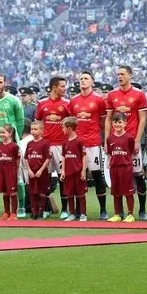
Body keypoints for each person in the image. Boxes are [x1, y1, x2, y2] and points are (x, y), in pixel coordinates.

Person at [105, 65, 147, 220]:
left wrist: (137, 140)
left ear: (130, 75)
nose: (120, 77)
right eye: (118, 74)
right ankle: (119, 212)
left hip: (132, 140)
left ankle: (141, 210)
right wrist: (106, 139)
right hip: (116, 141)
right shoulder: (112, 95)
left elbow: (143, 118)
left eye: (123, 74)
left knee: (137, 175)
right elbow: (109, 119)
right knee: (116, 177)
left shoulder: (138, 94)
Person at [68, 71, 109, 219]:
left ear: (92, 82)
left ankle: (103, 209)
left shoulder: (99, 100)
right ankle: (79, 211)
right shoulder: (73, 101)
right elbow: (72, 121)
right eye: (81, 79)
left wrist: (99, 136)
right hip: (78, 145)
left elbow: (104, 122)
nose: (83, 81)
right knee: (78, 177)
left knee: (97, 175)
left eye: (86, 79)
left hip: (93, 143)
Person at [0, 74, 25, 219]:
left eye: (0, 82)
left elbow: (20, 122)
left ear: (5, 83)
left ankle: (21, 207)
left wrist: (14, 139)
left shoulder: (14, 100)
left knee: (17, 176)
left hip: (12, 144)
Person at [35, 76, 71, 219]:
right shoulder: (42, 103)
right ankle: (45, 208)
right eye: (62, 86)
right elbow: (37, 123)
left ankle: (64, 209)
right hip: (46, 145)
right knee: (45, 178)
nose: (64, 89)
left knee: (63, 177)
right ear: (54, 87)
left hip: (61, 145)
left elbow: (72, 124)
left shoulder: (67, 104)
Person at [106, 112, 136, 223]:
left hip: (126, 167)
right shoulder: (110, 138)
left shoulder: (129, 138)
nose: (117, 124)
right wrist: (110, 163)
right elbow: (110, 153)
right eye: (115, 122)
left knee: (128, 192)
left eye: (119, 122)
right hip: (114, 167)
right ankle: (117, 214)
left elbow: (132, 152)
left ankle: (130, 214)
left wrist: (128, 162)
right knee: (116, 192)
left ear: (125, 123)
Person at [60, 117, 87, 221]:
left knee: (80, 194)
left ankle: (83, 214)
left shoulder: (80, 141)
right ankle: (72, 213)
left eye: (63, 128)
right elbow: (64, 156)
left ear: (69, 129)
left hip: (78, 172)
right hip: (68, 173)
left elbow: (84, 156)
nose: (62, 130)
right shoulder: (65, 142)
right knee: (69, 194)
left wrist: (83, 170)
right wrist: (63, 171)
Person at [24, 121, 51, 220]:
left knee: (42, 192)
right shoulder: (29, 143)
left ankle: (41, 212)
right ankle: (33, 212)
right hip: (32, 172)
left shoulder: (45, 143)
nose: (33, 131)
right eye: (32, 129)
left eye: (35, 129)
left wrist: (41, 170)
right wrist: (29, 170)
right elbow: (26, 158)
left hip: (41, 172)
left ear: (41, 131)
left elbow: (48, 158)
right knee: (32, 192)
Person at [0, 124, 21, 221]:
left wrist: (16, 170)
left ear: (10, 134)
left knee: (12, 192)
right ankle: (6, 212)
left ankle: (14, 213)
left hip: (11, 171)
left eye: (3, 132)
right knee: (5, 192)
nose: (1, 134)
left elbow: (17, 159)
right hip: (1, 171)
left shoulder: (14, 146)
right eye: (0, 132)